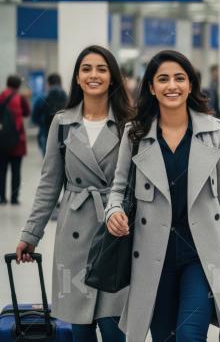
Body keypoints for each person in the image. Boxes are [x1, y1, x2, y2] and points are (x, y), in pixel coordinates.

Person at [105, 50, 220, 342]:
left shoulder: (214, 133)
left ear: (190, 85)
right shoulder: (135, 134)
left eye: (179, 78)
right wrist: (113, 211)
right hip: (152, 257)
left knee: (190, 335)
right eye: (163, 79)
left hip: (200, 256)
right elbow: (118, 188)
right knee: (165, 337)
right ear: (151, 87)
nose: (171, 85)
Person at [16, 46, 133, 342]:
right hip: (74, 233)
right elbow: (48, 184)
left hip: (115, 234)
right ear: (78, 78)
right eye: (86, 69)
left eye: (101, 69)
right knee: (79, 329)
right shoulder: (63, 123)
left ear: (112, 78)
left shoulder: (128, 125)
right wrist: (31, 234)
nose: (94, 75)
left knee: (113, 326)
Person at [0, 74, 30, 205]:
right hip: (18, 139)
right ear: (18, 85)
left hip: (2, 139)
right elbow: (27, 112)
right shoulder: (20, 98)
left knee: (2, 170)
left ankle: (2, 197)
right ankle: (14, 198)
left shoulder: (1, 96)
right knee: (16, 171)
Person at [31, 73, 68, 155]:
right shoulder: (68, 97)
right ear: (60, 82)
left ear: (48, 83)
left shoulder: (42, 97)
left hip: (45, 132)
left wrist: (41, 123)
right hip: (65, 134)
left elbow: (34, 117)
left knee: (48, 160)